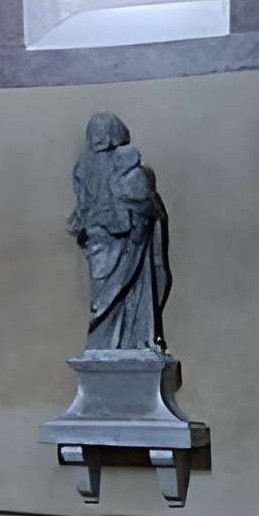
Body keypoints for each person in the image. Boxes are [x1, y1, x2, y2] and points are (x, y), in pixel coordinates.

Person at [68, 111, 172, 353]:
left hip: (109, 241)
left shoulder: (85, 168)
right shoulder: (102, 167)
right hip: (118, 243)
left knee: (112, 296)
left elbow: (82, 214)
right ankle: (117, 344)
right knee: (111, 296)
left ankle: (122, 343)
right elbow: (143, 200)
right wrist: (154, 210)